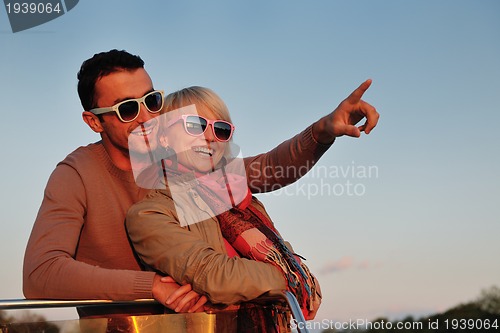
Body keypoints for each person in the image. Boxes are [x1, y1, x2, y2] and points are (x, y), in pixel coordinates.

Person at [23, 49, 378, 318]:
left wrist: (323, 130)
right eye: (127, 109)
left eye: (152, 101)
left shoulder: (185, 168)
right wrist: (150, 288)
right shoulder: (77, 174)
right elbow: (41, 273)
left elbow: (268, 168)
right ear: (93, 121)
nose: (147, 117)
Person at [126, 86, 322, 332]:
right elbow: (216, 276)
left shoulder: (243, 201)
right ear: (164, 137)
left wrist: (288, 274)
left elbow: (282, 256)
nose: (210, 137)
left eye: (220, 129)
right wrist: (292, 278)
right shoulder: (150, 213)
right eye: (195, 125)